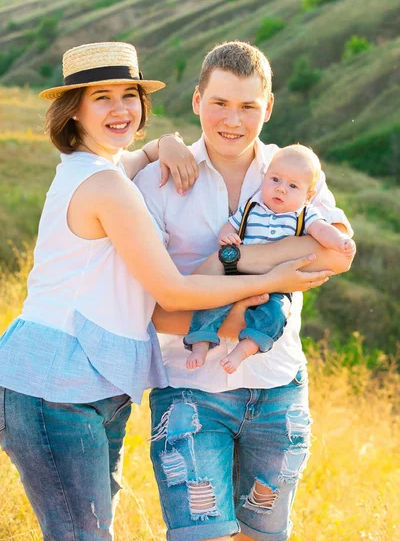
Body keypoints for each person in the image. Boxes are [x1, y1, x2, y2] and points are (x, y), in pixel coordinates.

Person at [0, 41, 329, 541]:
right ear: (73, 111)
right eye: (101, 98)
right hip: (56, 382)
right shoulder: (108, 184)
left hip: (96, 384)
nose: (120, 109)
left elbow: (132, 158)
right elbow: (171, 294)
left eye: (128, 95)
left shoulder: (112, 170)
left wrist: (160, 145)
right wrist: (271, 281)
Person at [133, 40, 355, 541]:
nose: (232, 120)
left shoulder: (297, 169)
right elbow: (153, 306)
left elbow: (337, 253)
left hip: (278, 387)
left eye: (248, 107)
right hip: (190, 391)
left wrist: (228, 262)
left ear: (268, 108)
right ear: (196, 101)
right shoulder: (159, 181)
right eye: (220, 104)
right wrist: (273, 272)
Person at [184, 144, 356, 373]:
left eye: (293, 186)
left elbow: (322, 231)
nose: (281, 189)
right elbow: (230, 224)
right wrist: (227, 236)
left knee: (276, 315)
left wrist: (340, 242)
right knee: (211, 304)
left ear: (309, 196)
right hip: (236, 277)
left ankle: (244, 349)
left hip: (278, 285)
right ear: (265, 178)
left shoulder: (304, 214)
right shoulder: (252, 207)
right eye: (275, 180)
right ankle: (200, 344)